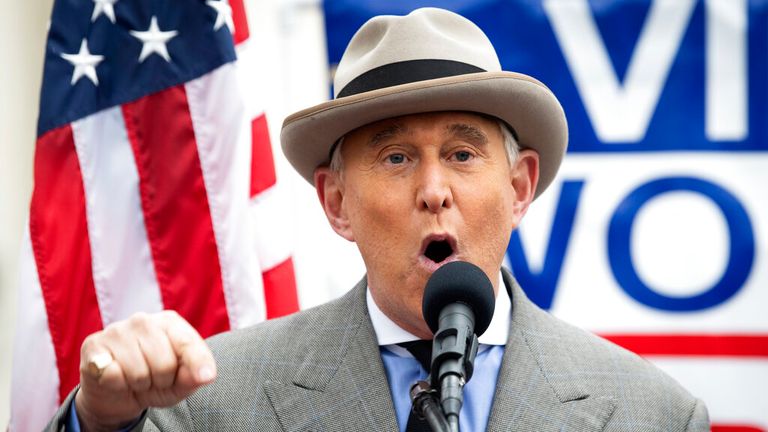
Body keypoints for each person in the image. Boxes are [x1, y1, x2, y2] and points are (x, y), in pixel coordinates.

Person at [46, 7, 709, 431]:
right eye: (395, 156)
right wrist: (99, 422)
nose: (433, 190)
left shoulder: (655, 414)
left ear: (519, 186)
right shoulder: (210, 404)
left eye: (461, 153)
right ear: (336, 202)